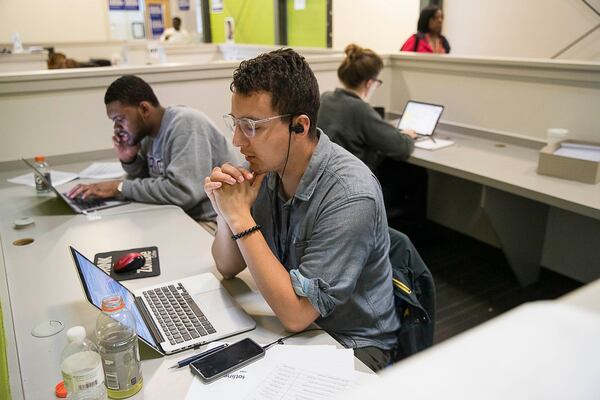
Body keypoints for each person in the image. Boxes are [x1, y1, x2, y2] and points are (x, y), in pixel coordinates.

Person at [204, 48, 400, 371]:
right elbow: (227, 265)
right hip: (301, 330)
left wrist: (240, 218)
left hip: (353, 344)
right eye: (236, 124)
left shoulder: (349, 194)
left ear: (300, 126)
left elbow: (296, 313)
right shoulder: (269, 166)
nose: (238, 141)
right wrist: (226, 210)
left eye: (252, 126)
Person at [68, 75, 236, 222]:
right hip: (177, 214)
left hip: (210, 221)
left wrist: (118, 187)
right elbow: (147, 183)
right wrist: (130, 159)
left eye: (120, 119)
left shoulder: (185, 125)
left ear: (144, 109)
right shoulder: (147, 133)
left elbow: (181, 193)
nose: (117, 128)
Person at [318, 43, 416, 173]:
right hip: (355, 182)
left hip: (328, 179)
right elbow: (402, 148)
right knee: (415, 173)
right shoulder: (360, 109)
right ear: (369, 83)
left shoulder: (325, 98)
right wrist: (408, 136)